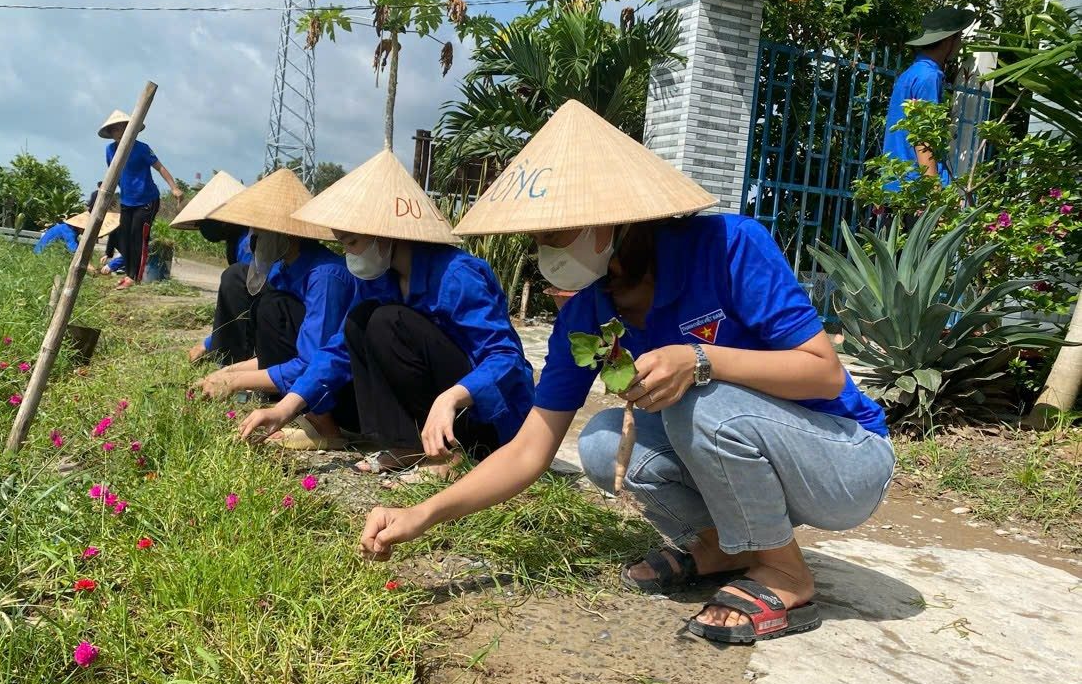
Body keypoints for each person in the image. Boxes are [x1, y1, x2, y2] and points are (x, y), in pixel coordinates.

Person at [356, 101, 895, 644]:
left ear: (612, 222)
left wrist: (701, 360)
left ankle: (785, 574)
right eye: (538, 239)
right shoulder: (587, 311)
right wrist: (423, 515)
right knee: (599, 442)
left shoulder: (729, 248)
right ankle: (717, 547)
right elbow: (529, 450)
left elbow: (824, 374)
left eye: (556, 234)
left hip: (842, 460)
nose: (544, 251)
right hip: (750, 455)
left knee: (696, 398)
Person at [239, 151, 535, 480]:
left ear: (385, 233)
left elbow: (505, 358)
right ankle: (407, 443)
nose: (348, 255)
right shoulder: (380, 280)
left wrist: (452, 397)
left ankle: (450, 456)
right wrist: (284, 408)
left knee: (388, 321)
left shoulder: (457, 276)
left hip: (483, 419)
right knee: (360, 322)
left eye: (352, 243)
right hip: (438, 418)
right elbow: (338, 350)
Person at [195, 168, 359, 448]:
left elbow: (314, 360)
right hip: (307, 377)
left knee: (272, 306)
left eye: (261, 232)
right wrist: (227, 373)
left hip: (338, 388)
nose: (253, 240)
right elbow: (275, 353)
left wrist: (235, 383)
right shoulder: (283, 269)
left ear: (288, 235)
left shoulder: (325, 277)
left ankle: (325, 425)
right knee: (266, 303)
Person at [881, 6, 975, 191]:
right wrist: (935, 193)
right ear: (949, 39)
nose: (960, 43)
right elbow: (924, 139)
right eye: (960, 37)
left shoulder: (911, 74)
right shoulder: (929, 77)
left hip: (897, 184)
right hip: (917, 189)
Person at [166, 171, 256, 364]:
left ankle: (235, 359)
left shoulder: (248, 243)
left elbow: (246, 302)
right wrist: (210, 342)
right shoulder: (237, 239)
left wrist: (211, 343)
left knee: (233, 278)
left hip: (268, 313)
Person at [97, 109, 184, 289]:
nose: (117, 132)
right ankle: (128, 273)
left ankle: (133, 277)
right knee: (124, 238)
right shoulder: (110, 150)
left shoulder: (142, 148)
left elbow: (160, 167)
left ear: (129, 128)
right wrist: (107, 195)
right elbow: (112, 174)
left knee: (138, 237)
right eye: (113, 130)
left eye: (120, 128)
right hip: (127, 201)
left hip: (147, 200)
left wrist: (174, 187)